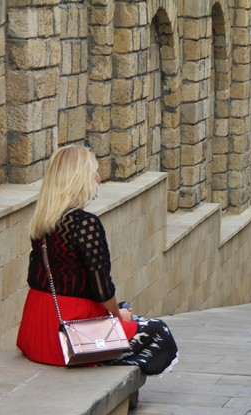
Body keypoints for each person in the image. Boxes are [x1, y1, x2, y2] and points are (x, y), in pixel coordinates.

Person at [16, 145, 179, 375]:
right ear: (79, 178)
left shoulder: (42, 222)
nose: (99, 179)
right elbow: (101, 289)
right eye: (94, 172)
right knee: (158, 331)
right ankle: (108, 367)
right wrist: (117, 316)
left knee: (124, 311)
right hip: (69, 338)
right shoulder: (85, 224)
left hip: (36, 331)